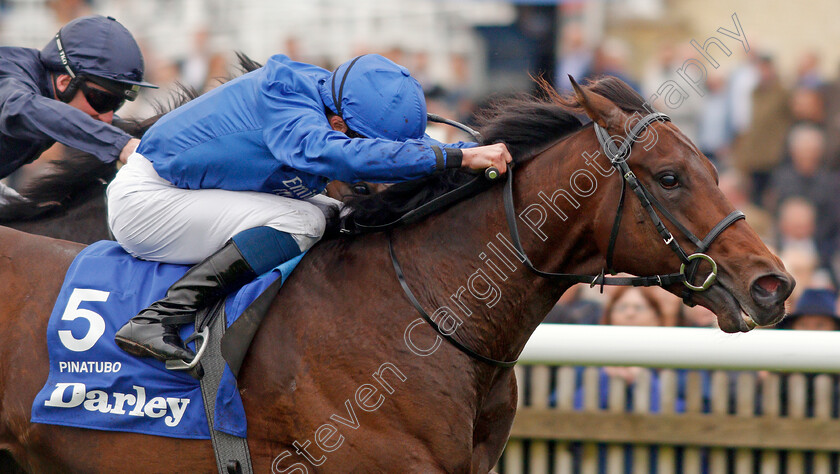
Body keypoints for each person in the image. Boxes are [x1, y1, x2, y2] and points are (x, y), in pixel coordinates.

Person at [106, 53, 512, 363]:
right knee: (303, 218)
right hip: (149, 202)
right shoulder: (285, 100)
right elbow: (338, 155)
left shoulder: (330, 99)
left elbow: (395, 153)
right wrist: (456, 159)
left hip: (190, 193)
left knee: (341, 215)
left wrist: (466, 152)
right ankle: (159, 318)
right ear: (338, 125)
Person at [0, 15, 156, 202]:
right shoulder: (11, 78)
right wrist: (119, 144)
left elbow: (99, 125)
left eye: (117, 104)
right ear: (65, 82)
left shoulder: (52, 93)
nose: (107, 117)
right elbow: (20, 109)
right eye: (102, 100)